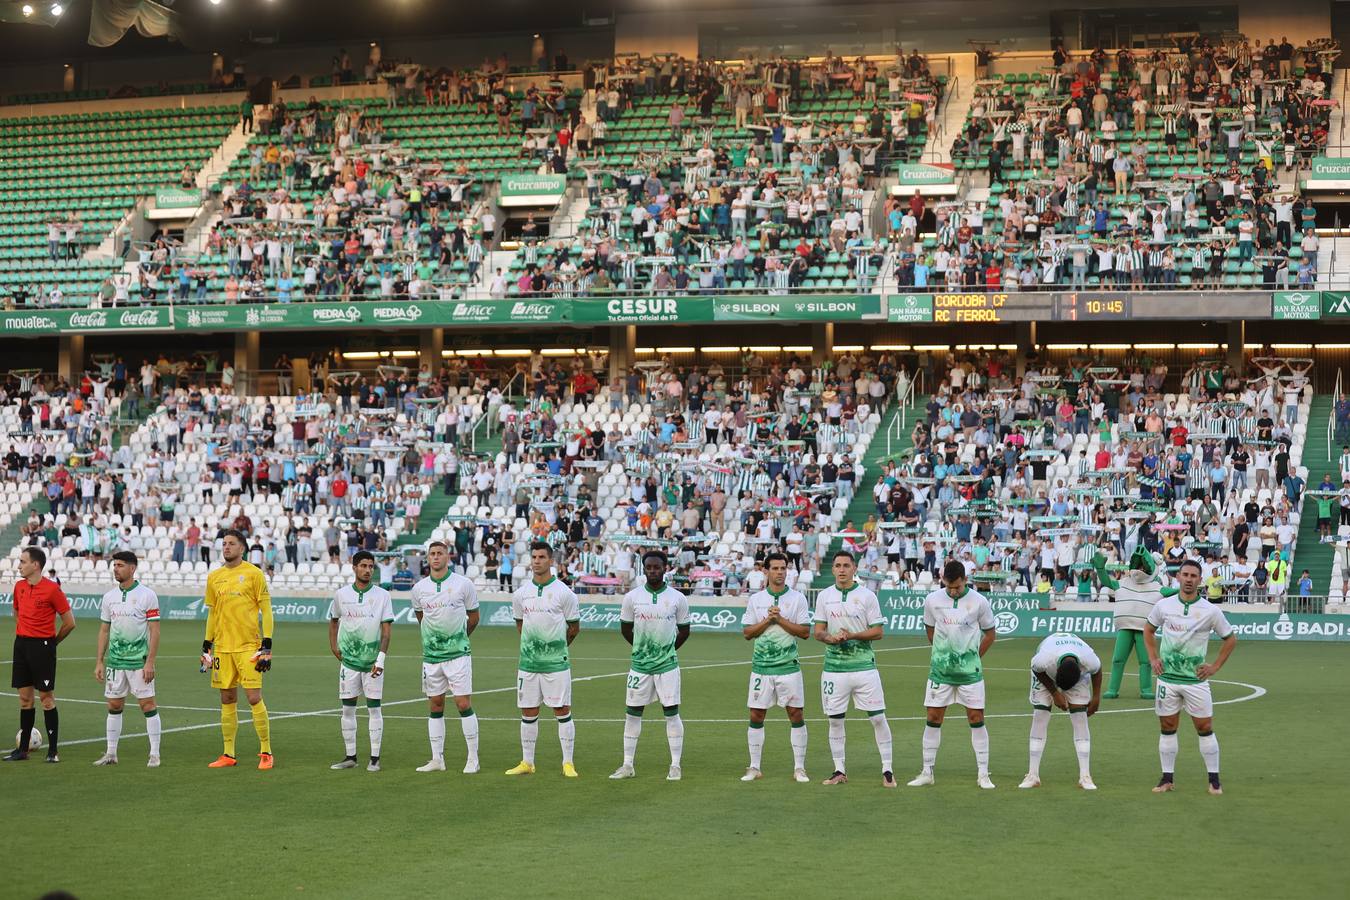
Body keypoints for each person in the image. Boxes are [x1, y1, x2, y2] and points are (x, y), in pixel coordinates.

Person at [1143, 558, 1238, 795]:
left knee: (1204, 727)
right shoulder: (1163, 605)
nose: (1188, 579)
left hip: (1196, 682)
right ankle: (1167, 779)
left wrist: (1214, 666)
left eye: (1193, 576)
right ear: (1178, 577)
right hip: (1167, 679)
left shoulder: (1211, 611)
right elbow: (1148, 629)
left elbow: (1230, 638)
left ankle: (1214, 781)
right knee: (1167, 726)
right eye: (1185, 575)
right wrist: (1153, 658)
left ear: (1200, 580)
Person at [910, 560, 997, 789]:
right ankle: (927, 772)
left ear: (965, 580)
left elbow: (990, 634)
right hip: (941, 673)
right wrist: (942, 655)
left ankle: (983, 774)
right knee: (933, 718)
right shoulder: (933, 600)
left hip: (970, 675)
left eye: (957, 586)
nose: (952, 590)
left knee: (976, 718)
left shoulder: (979, 601)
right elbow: (930, 630)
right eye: (949, 586)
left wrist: (974, 657)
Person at [812, 550, 893, 787]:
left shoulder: (867, 596)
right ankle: (839, 770)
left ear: (854, 568)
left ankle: (887, 769)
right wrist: (830, 638)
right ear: (833, 569)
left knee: (878, 718)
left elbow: (878, 632)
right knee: (835, 721)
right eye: (837, 565)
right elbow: (818, 632)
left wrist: (852, 635)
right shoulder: (824, 596)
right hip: (834, 669)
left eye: (846, 565)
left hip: (864, 668)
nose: (841, 569)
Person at [610, 551, 691, 782]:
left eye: (657, 567)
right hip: (639, 667)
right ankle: (627, 765)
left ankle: (675, 765)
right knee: (632, 715)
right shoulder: (632, 597)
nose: (653, 571)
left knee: (672, 714)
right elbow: (626, 628)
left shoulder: (677, 598)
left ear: (665, 568)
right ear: (644, 569)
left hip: (667, 667)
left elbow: (685, 630)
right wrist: (640, 648)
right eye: (649, 567)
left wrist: (669, 650)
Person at [200, 529, 275, 769]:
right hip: (222, 648)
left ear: (242, 548)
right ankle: (228, 754)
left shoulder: (254, 574)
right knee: (227, 697)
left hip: (249, 647)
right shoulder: (214, 577)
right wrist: (206, 644)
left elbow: (267, 610)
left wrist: (267, 643)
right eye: (224, 544)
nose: (226, 547)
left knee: (253, 697)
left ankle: (266, 752)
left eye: (231, 544)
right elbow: (212, 612)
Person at [506, 542, 580, 777]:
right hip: (528, 665)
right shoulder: (520, 594)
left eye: (541, 557)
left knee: (562, 709)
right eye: (534, 557)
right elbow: (520, 624)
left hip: (556, 665)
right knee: (528, 712)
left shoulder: (564, 593)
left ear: (551, 561)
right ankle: (527, 762)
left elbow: (574, 627)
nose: (537, 561)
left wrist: (555, 649)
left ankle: (568, 763)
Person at [410, 540, 481, 774]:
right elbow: (421, 617)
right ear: (427, 558)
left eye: (440, 553)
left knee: (462, 703)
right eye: (432, 554)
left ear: (447, 557)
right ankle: (437, 759)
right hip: (431, 657)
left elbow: (474, 616)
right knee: (435, 704)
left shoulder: (463, 584)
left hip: (458, 655)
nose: (436, 557)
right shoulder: (419, 589)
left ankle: (472, 758)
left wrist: (458, 637)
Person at [740, 552, 811, 783]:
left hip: (788, 668)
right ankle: (754, 767)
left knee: (795, 713)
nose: (780, 572)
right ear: (766, 571)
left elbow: (805, 632)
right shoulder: (756, 600)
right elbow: (748, 633)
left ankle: (799, 768)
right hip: (761, 668)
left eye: (783, 568)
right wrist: (767, 620)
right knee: (756, 714)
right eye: (775, 568)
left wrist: (779, 620)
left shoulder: (798, 598)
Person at [92, 551, 162, 768]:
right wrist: (99, 661)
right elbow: (104, 630)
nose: (116, 569)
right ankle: (111, 754)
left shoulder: (147, 595)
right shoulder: (109, 597)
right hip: (115, 662)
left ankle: (154, 754)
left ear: (132, 568)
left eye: (120, 565)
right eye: (115, 565)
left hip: (138, 663)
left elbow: (155, 631)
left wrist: (150, 662)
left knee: (147, 705)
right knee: (113, 705)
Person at [4, 547, 74, 763]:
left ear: (35, 565)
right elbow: (16, 611)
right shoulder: (19, 587)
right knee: (25, 699)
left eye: (23, 561)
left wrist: (51, 643)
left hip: (42, 647)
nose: (19, 565)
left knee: (45, 698)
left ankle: (53, 752)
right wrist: (24, 631)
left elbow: (70, 622)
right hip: (21, 645)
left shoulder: (52, 590)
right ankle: (22, 750)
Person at [327, 551, 394, 772]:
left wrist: (381, 659)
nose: (367, 570)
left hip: (373, 663)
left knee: (374, 709)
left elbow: (386, 631)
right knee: (347, 709)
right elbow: (334, 620)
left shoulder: (383, 595)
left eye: (371, 566)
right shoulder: (341, 595)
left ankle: (374, 759)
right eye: (363, 565)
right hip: (349, 663)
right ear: (354, 567)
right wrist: (334, 646)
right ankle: (350, 757)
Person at [1018, 632, 1102, 790]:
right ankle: (1032, 774)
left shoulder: (1088, 659)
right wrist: (1055, 693)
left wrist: (1096, 697)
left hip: (1074, 670)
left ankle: (1085, 776)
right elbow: (1037, 669)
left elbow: (1097, 671)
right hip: (1042, 674)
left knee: (1080, 718)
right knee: (1040, 715)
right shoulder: (1044, 659)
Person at [1092, 547, 1169, 699]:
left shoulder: (1157, 587)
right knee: (1118, 659)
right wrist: (1100, 568)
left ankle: (1145, 689)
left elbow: (1174, 593)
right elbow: (1107, 581)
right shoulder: (1123, 583)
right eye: (1138, 566)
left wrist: (1190, 593)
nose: (1139, 569)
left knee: (1145, 661)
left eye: (1143, 566)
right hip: (1125, 628)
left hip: (1144, 630)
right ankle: (1113, 689)